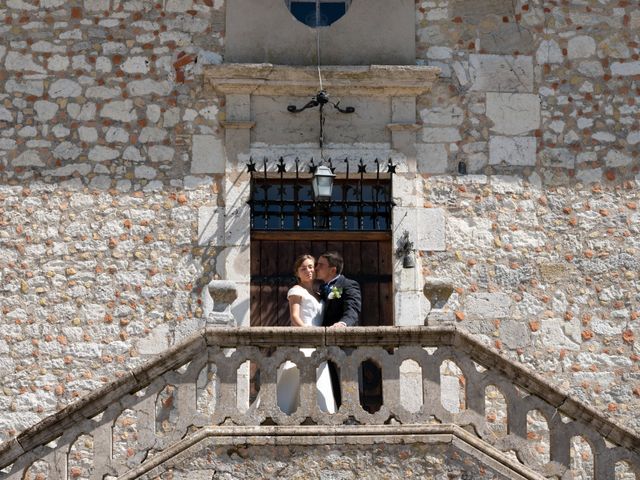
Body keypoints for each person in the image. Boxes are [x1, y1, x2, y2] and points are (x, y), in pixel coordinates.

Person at [276, 254, 337, 414]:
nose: (308, 270)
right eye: (303, 268)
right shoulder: (296, 291)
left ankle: (321, 412)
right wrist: (309, 334)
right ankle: (285, 411)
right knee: (294, 377)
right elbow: (295, 318)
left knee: (319, 377)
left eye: (311, 267)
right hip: (304, 339)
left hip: (319, 343)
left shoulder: (319, 294)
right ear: (297, 272)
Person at [315, 251, 361, 406]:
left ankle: (351, 417)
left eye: (320, 265)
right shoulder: (322, 288)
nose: (316, 268)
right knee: (329, 383)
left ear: (332, 270)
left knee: (346, 380)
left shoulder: (348, 284)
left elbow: (352, 309)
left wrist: (343, 323)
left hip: (343, 343)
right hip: (323, 344)